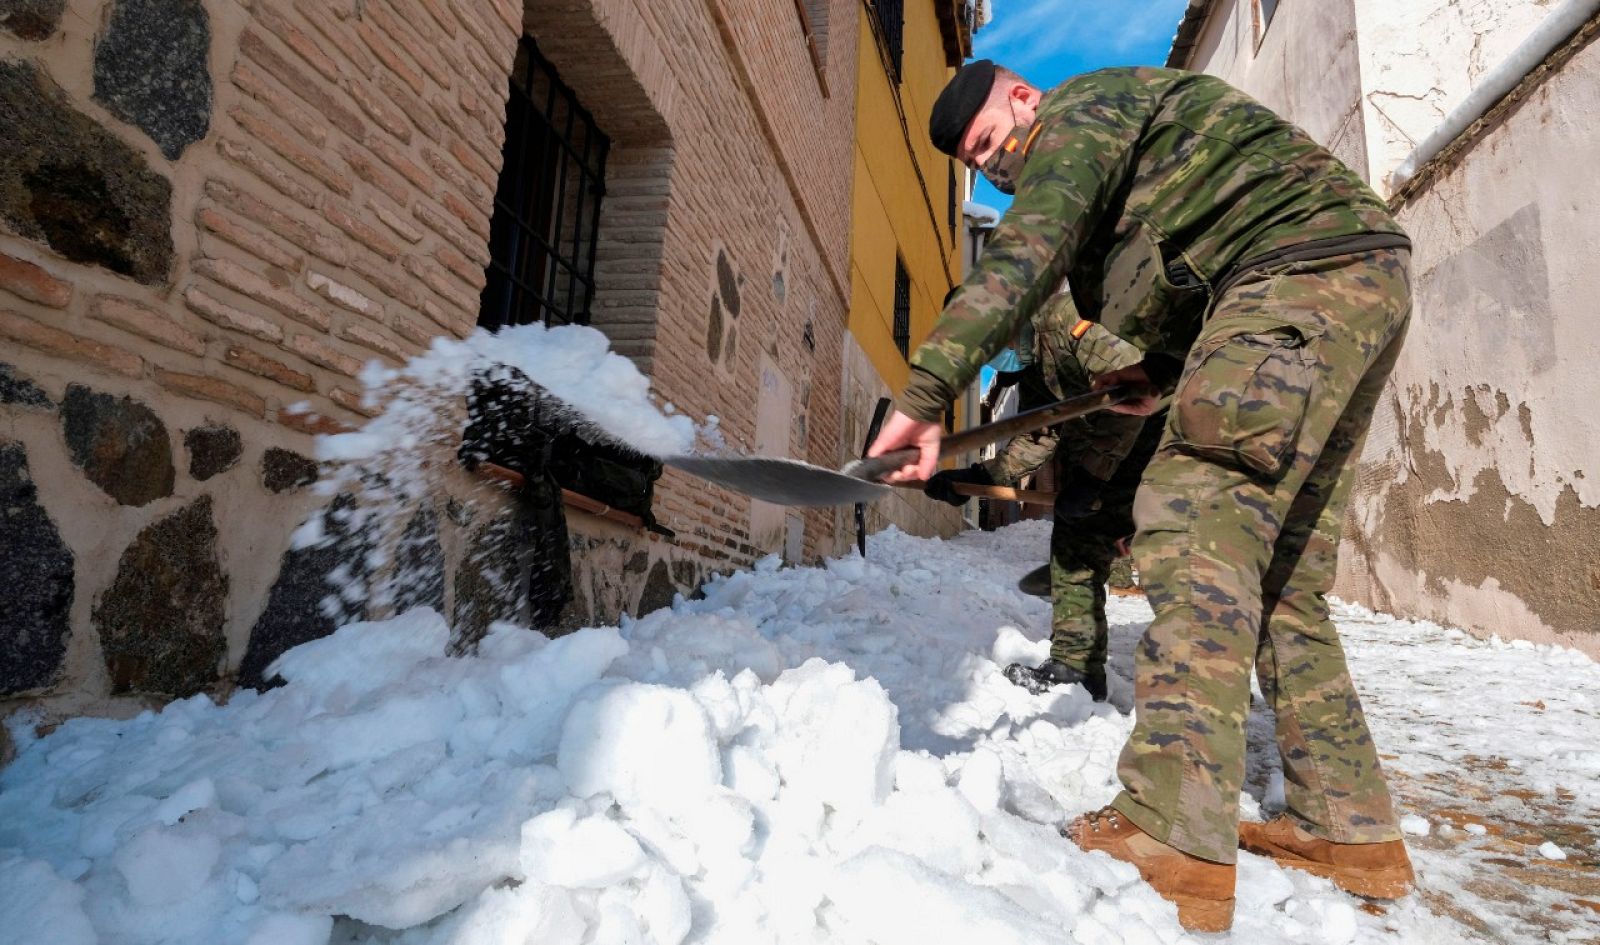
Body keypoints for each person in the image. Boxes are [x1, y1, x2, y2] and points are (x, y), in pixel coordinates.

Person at [868, 60, 1415, 932]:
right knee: (1281, 581)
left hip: (1296, 273)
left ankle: (1171, 823)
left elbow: (1027, 253)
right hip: (1351, 275)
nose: (995, 168)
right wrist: (1159, 371)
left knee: (1191, 526)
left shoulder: (1082, 111)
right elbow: (1188, 278)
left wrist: (927, 391)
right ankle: (1350, 829)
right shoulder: (1135, 156)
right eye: (978, 165)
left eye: (987, 144)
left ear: (1021, 97)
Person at [926, 291, 1162, 701]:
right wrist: (981, 476)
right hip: (1113, 459)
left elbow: (1134, 391)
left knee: (1172, 555)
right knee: (1076, 542)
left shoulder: (1073, 321)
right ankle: (1077, 668)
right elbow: (1040, 431)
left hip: (1164, 442)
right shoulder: (1037, 365)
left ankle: (1203, 676)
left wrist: (1092, 476)